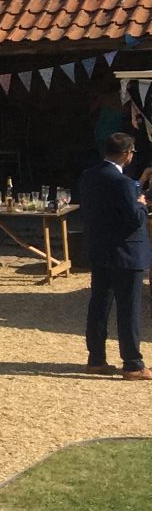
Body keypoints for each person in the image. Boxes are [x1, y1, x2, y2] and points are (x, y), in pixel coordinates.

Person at [77, 131, 150, 379]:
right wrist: (142, 204)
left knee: (99, 304)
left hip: (100, 248)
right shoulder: (123, 183)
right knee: (128, 308)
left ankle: (96, 358)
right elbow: (134, 218)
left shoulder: (89, 176)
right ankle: (133, 363)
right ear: (127, 154)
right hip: (126, 251)